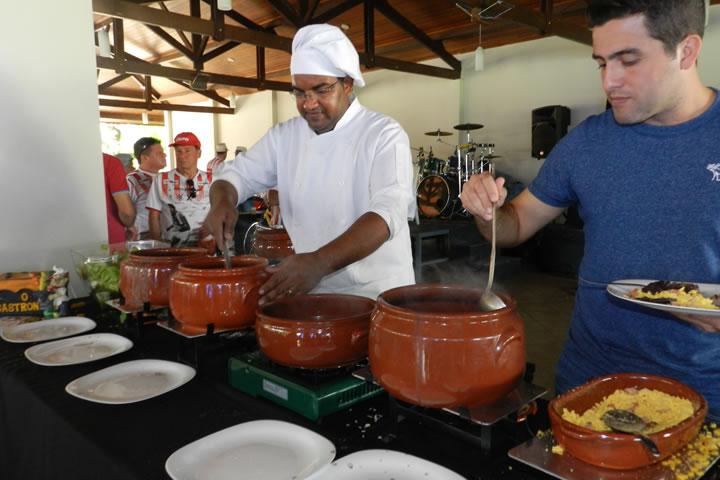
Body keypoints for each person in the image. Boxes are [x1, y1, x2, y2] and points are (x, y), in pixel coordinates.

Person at [460, 0, 720, 419]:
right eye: (601, 62)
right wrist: (486, 211)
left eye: (628, 60)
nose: (609, 82)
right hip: (588, 383)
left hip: (703, 396)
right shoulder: (586, 143)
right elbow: (513, 227)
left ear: (686, 52)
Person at [205, 23, 416, 304]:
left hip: (379, 296)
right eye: (300, 93)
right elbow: (234, 176)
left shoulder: (382, 134)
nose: (309, 103)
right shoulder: (285, 137)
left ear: (348, 83)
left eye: (321, 90)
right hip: (314, 291)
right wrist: (222, 202)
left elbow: (387, 215)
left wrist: (319, 262)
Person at [146, 132, 212, 247]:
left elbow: (220, 211)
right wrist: (157, 245)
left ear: (199, 153)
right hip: (173, 248)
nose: (182, 156)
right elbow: (154, 215)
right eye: (178, 151)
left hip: (208, 246)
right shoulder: (161, 179)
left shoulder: (212, 179)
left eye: (187, 151)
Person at [127, 137, 167, 239]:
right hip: (144, 239)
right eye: (159, 153)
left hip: (168, 238)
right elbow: (125, 212)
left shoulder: (166, 178)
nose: (164, 155)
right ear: (145, 158)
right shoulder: (132, 180)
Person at [102, 153, 135, 244]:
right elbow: (127, 212)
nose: (133, 168)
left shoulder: (60, 160)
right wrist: (130, 225)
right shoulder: (109, 162)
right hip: (110, 240)